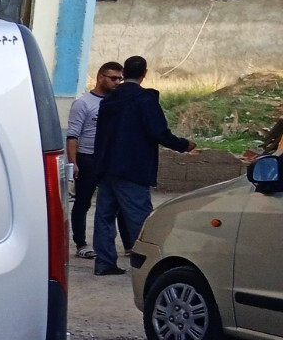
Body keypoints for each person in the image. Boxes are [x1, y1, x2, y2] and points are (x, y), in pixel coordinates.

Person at [91, 55, 197, 276]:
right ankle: (148, 266)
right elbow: (158, 132)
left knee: (104, 217)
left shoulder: (109, 100)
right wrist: (184, 145)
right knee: (140, 217)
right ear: (144, 73)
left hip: (107, 166)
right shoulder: (144, 100)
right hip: (133, 167)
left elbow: (100, 135)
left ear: (125, 72)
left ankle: (104, 262)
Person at [65, 61, 123, 259]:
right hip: (88, 158)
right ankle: (80, 243)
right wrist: (73, 163)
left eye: (120, 79)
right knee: (83, 202)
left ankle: (126, 244)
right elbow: (73, 135)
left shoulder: (116, 102)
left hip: (109, 159)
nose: (117, 82)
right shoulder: (84, 103)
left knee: (114, 203)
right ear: (100, 77)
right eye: (113, 78)